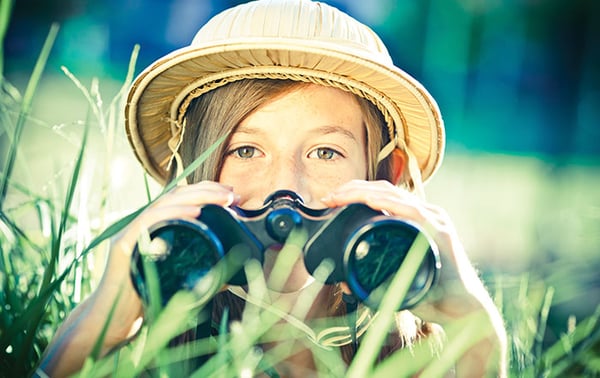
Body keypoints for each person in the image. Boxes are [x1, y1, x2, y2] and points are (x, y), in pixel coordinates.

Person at [38, 0, 507, 376]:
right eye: (244, 151)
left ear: (386, 176)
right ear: (192, 173)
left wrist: (475, 331)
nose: (286, 188)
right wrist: (105, 319)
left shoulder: (421, 363)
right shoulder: (144, 358)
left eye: (325, 153)